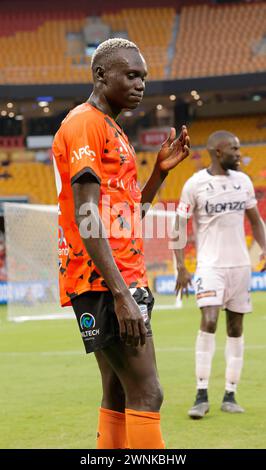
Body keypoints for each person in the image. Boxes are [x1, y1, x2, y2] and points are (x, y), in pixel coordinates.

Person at [52, 38, 190, 448]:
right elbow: (87, 216)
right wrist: (121, 294)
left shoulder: (112, 128)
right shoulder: (85, 123)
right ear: (100, 75)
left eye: (143, 77)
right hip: (104, 281)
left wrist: (158, 175)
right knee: (149, 394)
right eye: (131, 75)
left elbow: (124, 215)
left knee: (117, 393)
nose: (140, 84)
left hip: (112, 278)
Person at [173, 130, 266, 419]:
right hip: (209, 266)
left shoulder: (244, 182)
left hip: (240, 266)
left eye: (239, 150)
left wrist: (264, 248)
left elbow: (256, 221)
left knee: (235, 329)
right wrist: (180, 267)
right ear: (217, 152)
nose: (239, 155)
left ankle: (230, 393)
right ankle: (201, 394)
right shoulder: (195, 184)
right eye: (234, 150)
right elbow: (179, 226)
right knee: (209, 320)